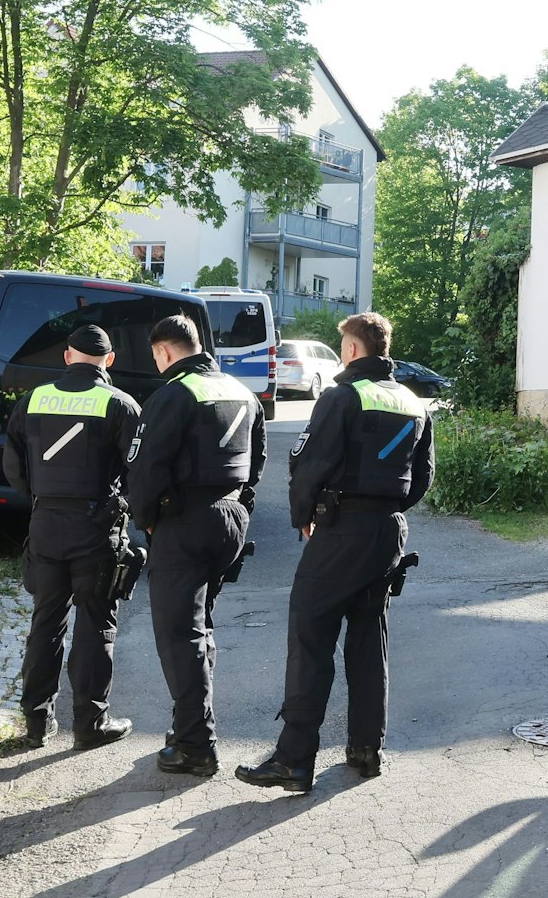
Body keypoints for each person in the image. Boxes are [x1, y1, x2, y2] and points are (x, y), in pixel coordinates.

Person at [237, 312, 432, 793]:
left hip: (343, 528)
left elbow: (309, 463)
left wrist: (303, 515)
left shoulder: (342, 396)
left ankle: (293, 760)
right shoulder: (412, 401)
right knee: (368, 638)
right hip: (388, 531)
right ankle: (367, 750)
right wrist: (386, 509)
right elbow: (423, 475)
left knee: (310, 635)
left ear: (351, 349)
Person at [128, 314, 265, 777]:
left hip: (183, 522)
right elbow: (257, 462)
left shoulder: (173, 394)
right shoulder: (241, 391)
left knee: (179, 637)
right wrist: (240, 508)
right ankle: (188, 727)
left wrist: (147, 521)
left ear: (164, 351)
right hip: (229, 520)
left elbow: (146, 470)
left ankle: (195, 746)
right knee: (200, 629)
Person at [3, 325, 140, 751]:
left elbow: (12, 464)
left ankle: (36, 723)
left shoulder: (33, 399)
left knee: (46, 622)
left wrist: (40, 499)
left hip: (45, 522)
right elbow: (139, 470)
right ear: (109, 360)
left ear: (67, 356)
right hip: (96, 527)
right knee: (96, 623)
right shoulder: (121, 404)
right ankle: (91, 723)